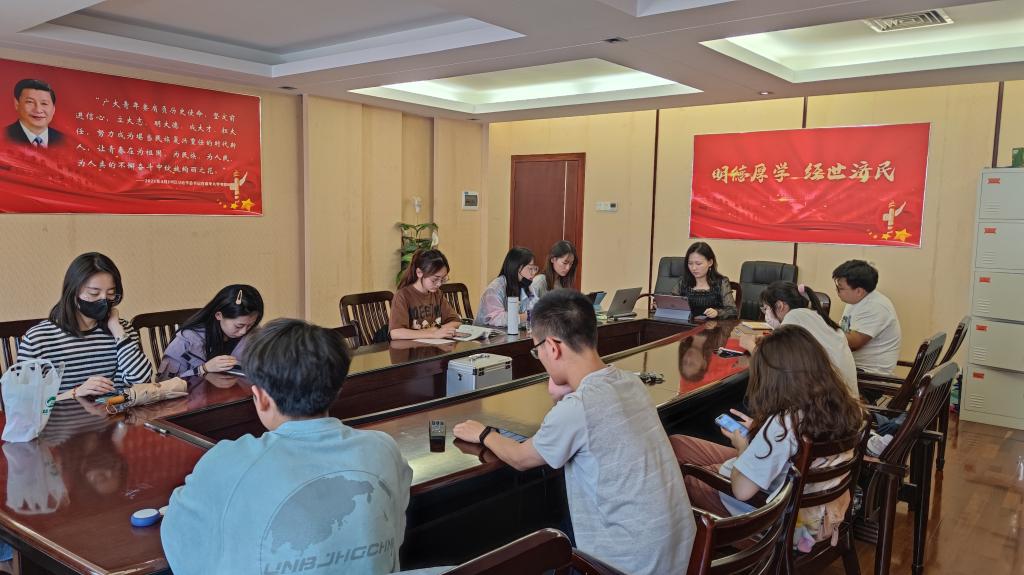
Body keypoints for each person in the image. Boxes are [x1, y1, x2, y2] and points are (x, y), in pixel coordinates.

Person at [454, 290, 696, 574]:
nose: (540, 358)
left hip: (627, 566)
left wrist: (484, 433)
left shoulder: (578, 407)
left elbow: (520, 458)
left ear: (553, 347)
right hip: (679, 556)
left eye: (537, 350)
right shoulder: (631, 383)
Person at [162, 319, 414, 575]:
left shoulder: (226, 461)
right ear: (337, 389)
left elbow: (180, 540)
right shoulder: (383, 448)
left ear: (261, 398)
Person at [670, 325, 863, 550]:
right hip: (809, 503)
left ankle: (750, 550)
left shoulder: (784, 423)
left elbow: (742, 491)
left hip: (782, 519)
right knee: (677, 445)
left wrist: (744, 448)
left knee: (687, 478)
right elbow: (788, 446)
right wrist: (760, 431)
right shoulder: (844, 407)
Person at [17, 253, 153, 397]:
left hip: (116, 410)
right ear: (73, 292)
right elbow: (22, 401)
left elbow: (142, 381)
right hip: (65, 412)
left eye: (111, 293)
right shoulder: (39, 338)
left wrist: (117, 330)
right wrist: (75, 393)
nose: (104, 300)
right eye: (94, 293)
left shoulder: (122, 330)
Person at [739, 281, 859, 398]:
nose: (766, 314)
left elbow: (771, 364)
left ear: (780, 306)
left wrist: (750, 345)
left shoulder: (793, 318)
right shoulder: (813, 315)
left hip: (828, 402)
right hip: (845, 400)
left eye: (766, 309)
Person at [157, 285, 264, 380]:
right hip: (195, 396)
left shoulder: (254, 335)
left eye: (250, 325)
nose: (243, 331)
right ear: (219, 315)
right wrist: (204, 369)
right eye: (239, 326)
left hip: (239, 394)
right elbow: (164, 385)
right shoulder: (187, 340)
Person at [832, 260, 902, 376]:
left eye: (840, 288)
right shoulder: (855, 301)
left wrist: (823, 329)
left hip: (870, 375)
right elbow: (843, 330)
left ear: (859, 291)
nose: (837, 291)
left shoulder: (875, 306)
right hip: (854, 367)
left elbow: (853, 343)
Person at [389, 249, 462, 340]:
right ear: (419, 273)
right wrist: (432, 333)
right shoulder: (402, 295)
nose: (439, 284)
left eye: (443, 279)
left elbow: (456, 321)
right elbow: (395, 333)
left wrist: (438, 330)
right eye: (434, 279)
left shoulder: (437, 294)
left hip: (434, 346)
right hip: (411, 347)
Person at [474, 247, 539, 327]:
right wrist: (527, 316)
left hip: (515, 332)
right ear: (517, 268)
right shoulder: (495, 288)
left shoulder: (526, 286)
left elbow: (536, 308)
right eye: (530, 268)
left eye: (534, 268)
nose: (533, 273)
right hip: (488, 333)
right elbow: (497, 319)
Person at [671, 241, 738, 319]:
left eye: (698, 264)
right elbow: (671, 304)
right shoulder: (683, 282)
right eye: (690, 263)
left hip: (713, 325)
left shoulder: (721, 282)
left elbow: (733, 311)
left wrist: (717, 312)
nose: (694, 268)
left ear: (710, 262)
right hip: (687, 324)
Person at [6, 79, 63, 148]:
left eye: (44, 103)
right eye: (30, 102)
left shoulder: (64, 140)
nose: (38, 110)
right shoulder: (4, 136)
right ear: (17, 104)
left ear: (53, 109)